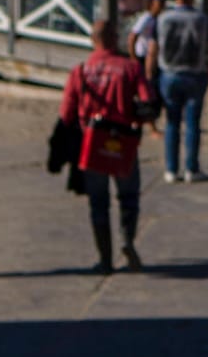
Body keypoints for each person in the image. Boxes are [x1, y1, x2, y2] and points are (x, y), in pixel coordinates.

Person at [59, 19, 147, 273]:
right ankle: (127, 240)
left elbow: (66, 113)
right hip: (123, 140)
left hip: (92, 140)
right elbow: (148, 102)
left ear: (92, 39)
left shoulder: (81, 70)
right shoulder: (130, 68)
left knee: (98, 202)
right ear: (115, 37)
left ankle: (105, 258)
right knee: (128, 196)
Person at [155, 0, 208, 182]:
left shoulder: (163, 18)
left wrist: (149, 73)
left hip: (170, 71)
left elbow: (155, 46)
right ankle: (191, 167)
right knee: (192, 123)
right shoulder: (202, 18)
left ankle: (171, 168)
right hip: (194, 72)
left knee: (171, 122)